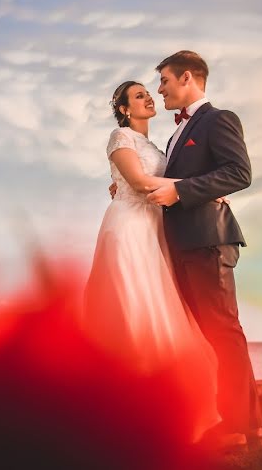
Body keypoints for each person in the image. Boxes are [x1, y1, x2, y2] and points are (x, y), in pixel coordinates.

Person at [82, 80, 220, 444]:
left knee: (159, 308)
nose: (149, 97)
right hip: (128, 229)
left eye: (149, 92)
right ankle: (126, 409)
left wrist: (195, 190)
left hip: (154, 232)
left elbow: (150, 180)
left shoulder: (157, 146)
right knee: (134, 310)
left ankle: (160, 403)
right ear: (125, 109)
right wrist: (206, 188)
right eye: (139, 95)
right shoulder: (119, 137)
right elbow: (140, 183)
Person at [140, 50, 262, 450]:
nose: (159, 90)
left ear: (187, 77)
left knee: (223, 331)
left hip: (210, 241)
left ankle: (238, 427)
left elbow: (238, 172)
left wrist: (180, 190)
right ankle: (248, 425)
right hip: (183, 244)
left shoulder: (218, 119)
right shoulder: (175, 134)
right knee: (211, 335)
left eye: (163, 81)